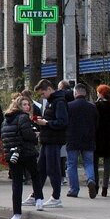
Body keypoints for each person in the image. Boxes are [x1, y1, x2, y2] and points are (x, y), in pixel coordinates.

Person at [1, 95, 43, 219]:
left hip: (13, 153)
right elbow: (27, 134)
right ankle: (39, 199)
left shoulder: (6, 119)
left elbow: (5, 136)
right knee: (35, 175)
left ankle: (17, 214)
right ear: (19, 106)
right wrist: (35, 136)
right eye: (24, 104)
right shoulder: (23, 117)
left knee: (16, 183)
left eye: (28, 104)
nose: (27, 107)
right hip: (26, 152)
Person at [33, 79, 69, 208]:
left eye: (43, 93)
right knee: (40, 168)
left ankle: (56, 197)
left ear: (49, 89)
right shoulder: (51, 102)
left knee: (52, 168)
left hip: (54, 140)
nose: (42, 96)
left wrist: (46, 123)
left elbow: (62, 122)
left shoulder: (59, 102)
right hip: (47, 139)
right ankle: (36, 194)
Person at [64, 84, 99, 198]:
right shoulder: (92, 107)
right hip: (88, 139)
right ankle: (90, 180)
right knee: (89, 163)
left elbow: (65, 123)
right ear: (85, 93)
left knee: (71, 164)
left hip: (72, 139)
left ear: (75, 93)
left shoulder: (69, 106)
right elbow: (96, 124)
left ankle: (74, 189)